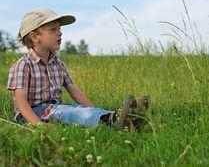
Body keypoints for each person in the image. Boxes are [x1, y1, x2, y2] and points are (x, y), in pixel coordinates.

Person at [7, 8, 149, 131]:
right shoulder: (23, 65)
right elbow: (21, 102)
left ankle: (125, 118)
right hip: (30, 114)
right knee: (69, 112)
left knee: (76, 110)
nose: (60, 33)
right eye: (53, 30)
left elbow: (74, 91)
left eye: (60, 29)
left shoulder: (58, 65)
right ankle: (116, 120)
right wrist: (38, 124)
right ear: (34, 36)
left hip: (54, 109)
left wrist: (92, 110)